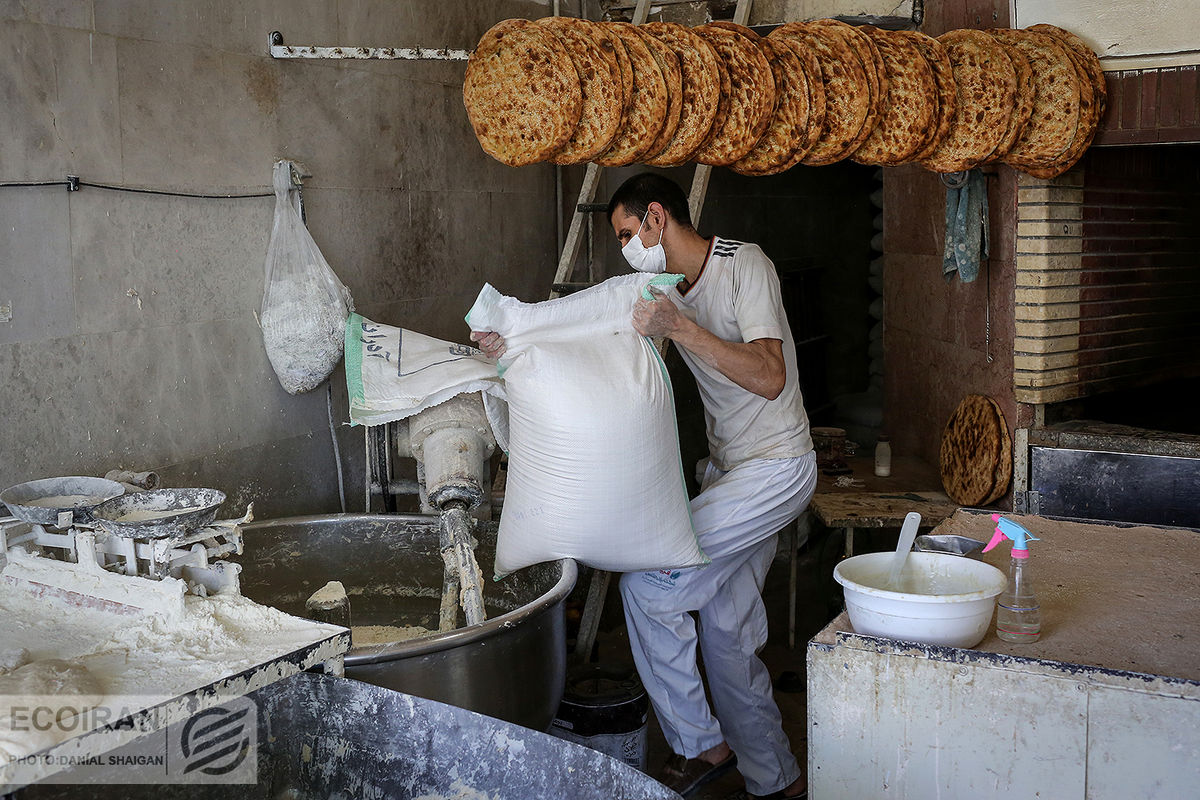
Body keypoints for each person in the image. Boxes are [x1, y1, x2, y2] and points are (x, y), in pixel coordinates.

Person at [472, 172, 815, 800]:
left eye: (629, 233)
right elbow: (579, 319)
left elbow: (769, 375)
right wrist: (510, 335)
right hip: (730, 472)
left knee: (650, 588)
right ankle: (780, 782)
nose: (627, 248)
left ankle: (700, 746)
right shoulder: (658, 289)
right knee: (728, 638)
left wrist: (677, 327)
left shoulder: (745, 266)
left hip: (776, 467)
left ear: (656, 217)